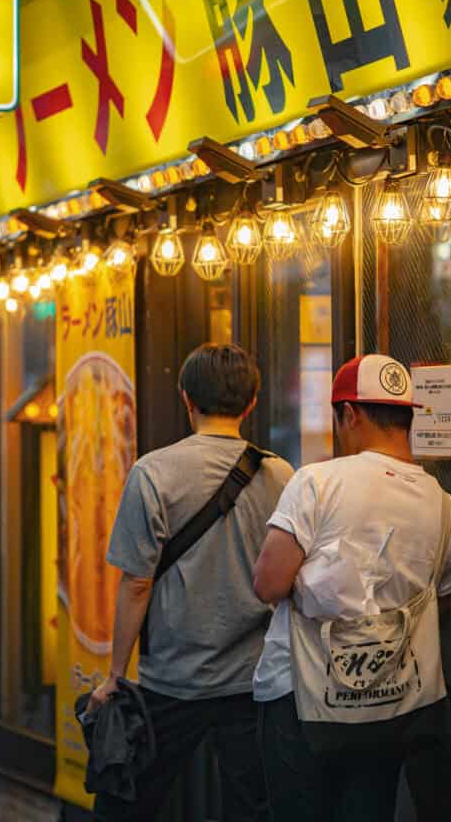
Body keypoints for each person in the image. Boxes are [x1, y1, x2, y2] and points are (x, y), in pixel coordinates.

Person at [253, 353, 451, 822]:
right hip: (390, 702)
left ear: (349, 414)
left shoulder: (317, 483)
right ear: (408, 417)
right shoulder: (447, 509)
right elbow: (441, 599)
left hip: (302, 696)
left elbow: (268, 584)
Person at [89, 342, 293, 822]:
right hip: (254, 678)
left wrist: (116, 676)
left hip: (171, 680)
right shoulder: (279, 474)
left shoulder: (152, 473)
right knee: (252, 808)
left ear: (186, 398)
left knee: (128, 801)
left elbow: (136, 584)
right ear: (252, 403)